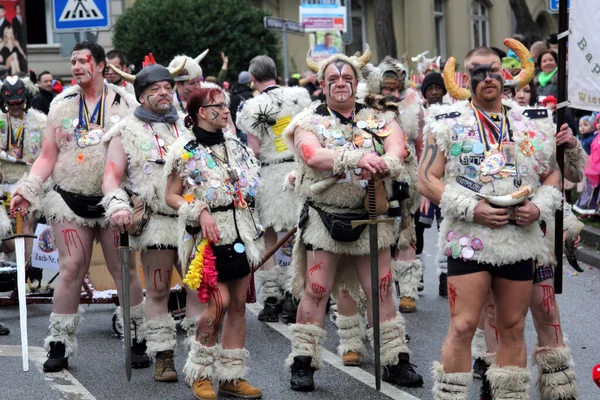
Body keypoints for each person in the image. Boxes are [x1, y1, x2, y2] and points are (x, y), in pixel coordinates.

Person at [421, 44, 561, 398]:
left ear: (505, 74)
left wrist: (539, 207)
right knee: (464, 324)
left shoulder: (531, 123)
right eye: (478, 72)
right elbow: (426, 178)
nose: (487, 78)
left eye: (493, 70)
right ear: (466, 79)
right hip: (470, 237)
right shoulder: (445, 123)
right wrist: (472, 209)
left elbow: (552, 175)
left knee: (513, 325)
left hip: (520, 237)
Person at [284, 47, 422, 392]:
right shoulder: (308, 121)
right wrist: (357, 156)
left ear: (357, 83)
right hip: (325, 218)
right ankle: (303, 361)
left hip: (374, 218)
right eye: (333, 79)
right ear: (323, 85)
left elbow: (397, 149)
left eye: (347, 78)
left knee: (382, 288)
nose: (341, 83)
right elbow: (314, 156)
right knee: (316, 290)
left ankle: (394, 359)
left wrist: (383, 163)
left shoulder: (380, 118)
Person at [9, 41, 147, 373]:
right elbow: (46, 157)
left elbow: (137, 157)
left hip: (114, 203)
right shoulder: (61, 105)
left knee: (123, 271)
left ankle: (138, 336)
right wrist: (28, 188)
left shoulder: (125, 104)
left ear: (101, 66)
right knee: (71, 267)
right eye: (73, 62)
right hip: (69, 199)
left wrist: (141, 194)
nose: (76, 67)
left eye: (83, 61)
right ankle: (59, 341)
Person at [102, 54, 206, 381]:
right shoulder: (126, 130)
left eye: (168, 87)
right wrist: (118, 205)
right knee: (159, 290)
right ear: (142, 94)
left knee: (199, 288)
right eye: (156, 89)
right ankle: (162, 355)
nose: (165, 93)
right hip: (155, 221)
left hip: (191, 219)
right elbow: (111, 176)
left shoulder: (189, 126)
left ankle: (199, 354)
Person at [165, 86, 264, 399]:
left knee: (237, 305)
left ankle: (231, 377)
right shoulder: (184, 150)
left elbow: (248, 186)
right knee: (217, 303)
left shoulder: (235, 145)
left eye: (225, 105)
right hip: (206, 237)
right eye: (217, 106)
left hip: (240, 232)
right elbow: (171, 195)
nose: (225, 110)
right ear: (200, 113)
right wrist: (199, 211)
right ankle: (200, 371)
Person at [237, 55, 311, 323]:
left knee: (269, 234)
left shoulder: (251, 107)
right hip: (298, 170)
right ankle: (296, 295)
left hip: (269, 172)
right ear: (276, 73)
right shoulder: (300, 98)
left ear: (253, 79)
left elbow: (254, 150)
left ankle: (270, 297)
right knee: (298, 234)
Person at [0, 77, 46, 267]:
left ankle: (25, 271)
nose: (15, 108)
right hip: (2, 184)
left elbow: (48, 154)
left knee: (25, 226)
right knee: (4, 232)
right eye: (10, 105)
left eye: (19, 104)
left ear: (26, 100)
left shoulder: (41, 122)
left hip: (28, 183)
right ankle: (13, 261)